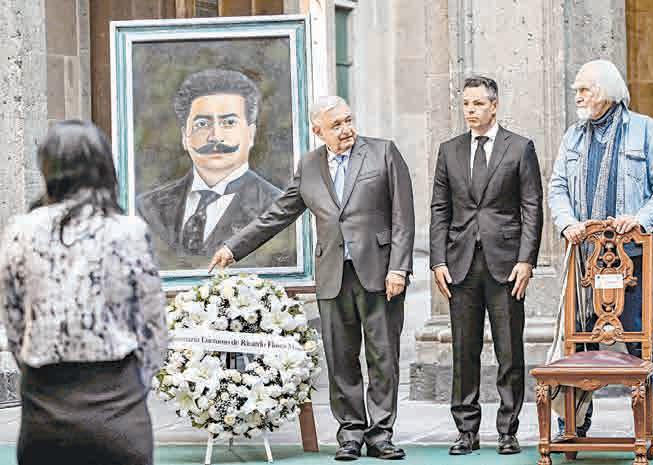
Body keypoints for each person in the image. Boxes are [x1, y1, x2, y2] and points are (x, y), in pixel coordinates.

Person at [209, 96, 415, 461]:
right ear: (318, 131)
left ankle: (381, 435)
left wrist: (398, 268)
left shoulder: (383, 153)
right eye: (336, 125)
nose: (346, 129)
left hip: (380, 274)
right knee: (340, 359)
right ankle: (350, 434)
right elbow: (278, 214)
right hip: (333, 276)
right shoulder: (309, 166)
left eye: (348, 120)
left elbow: (403, 217)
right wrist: (233, 247)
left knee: (383, 357)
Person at [0, 120, 168, 465]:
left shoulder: (20, 230)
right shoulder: (129, 231)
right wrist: (136, 386)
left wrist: (35, 370)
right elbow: (152, 326)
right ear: (103, 165)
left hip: (45, 401)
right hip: (118, 401)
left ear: (48, 168)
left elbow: (14, 321)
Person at [548, 59, 653, 453]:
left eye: (583, 90)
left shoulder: (645, 130)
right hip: (585, 260)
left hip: (631, 258)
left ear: (604, 91)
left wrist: (638, 219)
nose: (577, 96)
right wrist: (568, 223)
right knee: (578, 343)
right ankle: (574, 425)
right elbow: (557, 187)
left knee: (642, 341)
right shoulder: (573, 137)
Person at [430, 76, 543, 455]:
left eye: (478, 104)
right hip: (460, 265)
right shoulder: (449, 151)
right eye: (466, 104)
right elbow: (439, 209)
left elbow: (532, 207)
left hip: (506, 265)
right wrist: (438, 260)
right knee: (464, 351)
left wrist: (526, 260)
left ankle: (508, 430)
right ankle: (466, 431)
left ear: (494, 106)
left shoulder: (520, 147)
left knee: (509, 350)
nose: (470, 111)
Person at [137, 69, 282, 258]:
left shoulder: (278, 207)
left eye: (229, 122)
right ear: (185, 136)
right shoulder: (147, 208)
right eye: (202, 124)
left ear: (251, 134)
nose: (215, 137)